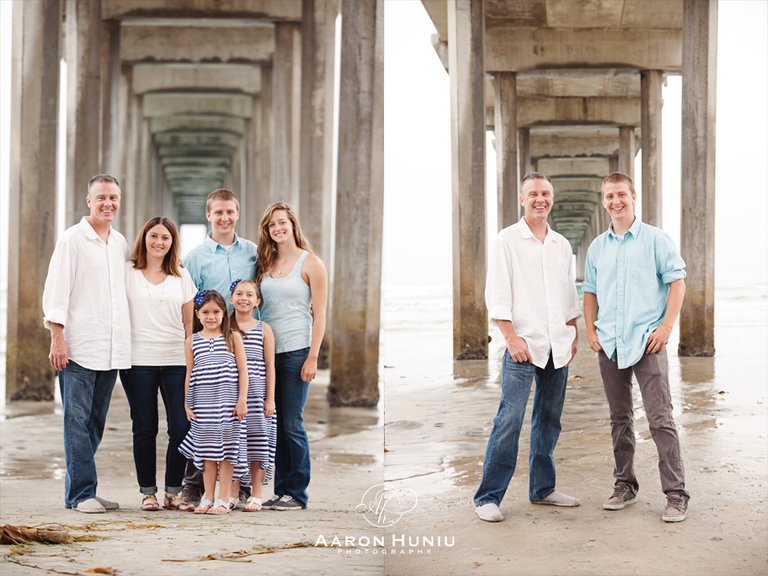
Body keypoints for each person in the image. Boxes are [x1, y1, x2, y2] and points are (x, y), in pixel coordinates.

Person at [474, 172, 582, 523]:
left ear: (552, 199)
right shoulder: (507, 239)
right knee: (509, 420)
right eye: (533, 193)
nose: (540, 199)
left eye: (546, 193)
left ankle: (543, 489)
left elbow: (569, 295)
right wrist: (510, 338)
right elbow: (498, 294)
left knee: (549, 421)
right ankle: (488, 497)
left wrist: (573, 331)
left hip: (558, 346)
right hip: (522, 346)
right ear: (522, 200)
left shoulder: (562, 244)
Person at [583, 172, 689, 522]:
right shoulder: (597, 246)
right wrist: (590, 330)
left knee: (660, 418)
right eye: (609, 196)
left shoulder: (656, 239)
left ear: (633, 197)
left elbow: (677, 283)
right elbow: (591, 293)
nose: (616, 201)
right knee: (619, 419)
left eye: (621, 195)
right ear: (603, 201)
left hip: (649, 341)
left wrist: (666, 327)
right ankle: (624, 485)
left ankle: (676, 494)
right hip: (609, 342)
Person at [42, 174, 130, 513]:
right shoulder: (72, 240)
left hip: (110, 350)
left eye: (113, 197)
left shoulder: (120, 242)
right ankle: (81, 494)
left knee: (94, 423)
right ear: (89, 201)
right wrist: (57, 338)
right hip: (77, 347)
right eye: (101, 197)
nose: (108, 203)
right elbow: (56, 292)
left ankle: (81, 490)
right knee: (75, 422)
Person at [179, 188, 258, 508]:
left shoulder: (253, 252)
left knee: (242, 416)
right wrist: (190, 339)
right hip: (208, 341)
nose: (224, 218)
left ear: (237, 214)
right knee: (205, 416)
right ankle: (193, 486)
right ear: (208, 216)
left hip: (245, 339)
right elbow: (187, 300)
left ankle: (238, 488)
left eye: (230, 212)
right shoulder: (195, 257)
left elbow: (263, 288)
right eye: (218, 213)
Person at [120, 217, 198, 512]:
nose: (159, 242)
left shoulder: (181, 274)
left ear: (172, 242)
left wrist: (193, 362)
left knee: (181, 427)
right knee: (144, 427)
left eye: (165, 237)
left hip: (176, 360)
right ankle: (148, 493)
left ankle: (173, 492)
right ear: (144, 238)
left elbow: (189, 326)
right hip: (137, 360)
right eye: (154, 236)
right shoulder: (127, 272)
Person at [257, 203, 327, 511]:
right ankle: (281, 490)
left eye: (282, 222)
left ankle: (297, 494)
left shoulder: (311, 263)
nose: (278, 228)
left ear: (293, 225)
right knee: (277, 425)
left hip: (297, 351)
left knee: (293, 423)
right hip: (267, 353)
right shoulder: (266, 263)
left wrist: (313, 356)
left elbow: (321, 313)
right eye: (272, 225)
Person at [178, 290, 249, 515]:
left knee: (227, 453)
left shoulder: (233, 336)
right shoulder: (192, 341)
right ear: (197, 314)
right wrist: (187, 404)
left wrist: (242, 401)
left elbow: (243, 371)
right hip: (203, 406)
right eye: (206, 312)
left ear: (224, 313)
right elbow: (190, 374)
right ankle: (207, 497)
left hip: (228, 405)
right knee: (207, 453)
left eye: (216, 312)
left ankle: (223, 498)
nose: (211, 316)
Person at [228, 279, 277, 512]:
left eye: (249, 295)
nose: (243, 298)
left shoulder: (263, 328)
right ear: (231, 299)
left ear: (258, 301)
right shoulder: (224, 328)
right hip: (232, 394)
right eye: (239, 294)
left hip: (258, 396)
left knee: (259, 443)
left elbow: (270, 366)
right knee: (234, 445)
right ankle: (233, 494)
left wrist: (270, 398)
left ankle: (256, 494)